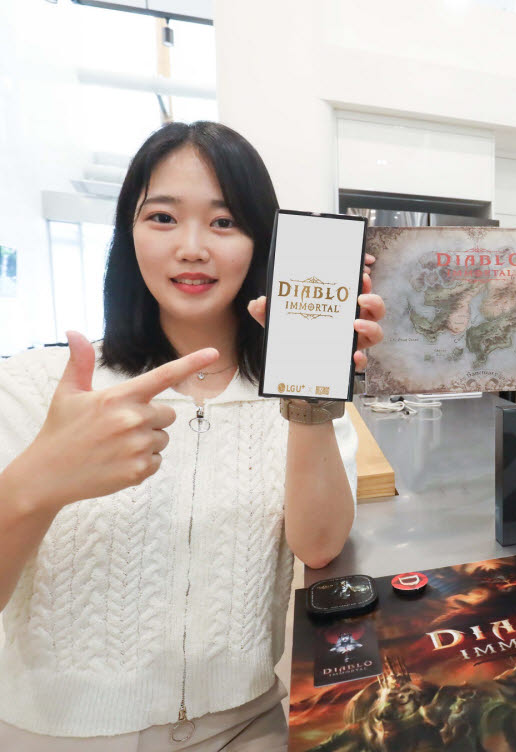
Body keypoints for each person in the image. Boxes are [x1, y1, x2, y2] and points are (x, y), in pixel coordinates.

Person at [0, 121, 385, 749]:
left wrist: (311, 395)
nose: (192, 247)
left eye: (224, 222)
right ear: (127, 233)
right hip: (60, 737)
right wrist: (34, 484)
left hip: (249, 727)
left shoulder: (292, 395)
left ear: (261, 243)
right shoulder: (41, 387)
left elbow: (318, 548)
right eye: (162, 218)